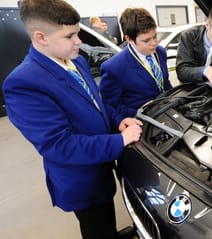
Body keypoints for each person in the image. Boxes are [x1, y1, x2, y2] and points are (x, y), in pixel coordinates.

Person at [2, 0, 141, 238]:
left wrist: (117, 121)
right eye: (70, 36)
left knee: (106, 216)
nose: (79, 41)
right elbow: (60, 146)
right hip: (81, 179)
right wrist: (120, 141)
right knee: (95, 224)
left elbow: (96, 104)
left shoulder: (76, 61)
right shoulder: (24, 83)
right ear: (41, 37)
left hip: (101, 165)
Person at [100, 7, 172, 128]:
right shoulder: (114, 67)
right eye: (146, 40)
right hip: (140, 123)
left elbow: (165, 83)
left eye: (155, 36)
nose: (154, 43)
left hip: (167, 113)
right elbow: (109, 106)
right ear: (129, 39)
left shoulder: (160, 52)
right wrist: (139, 111)